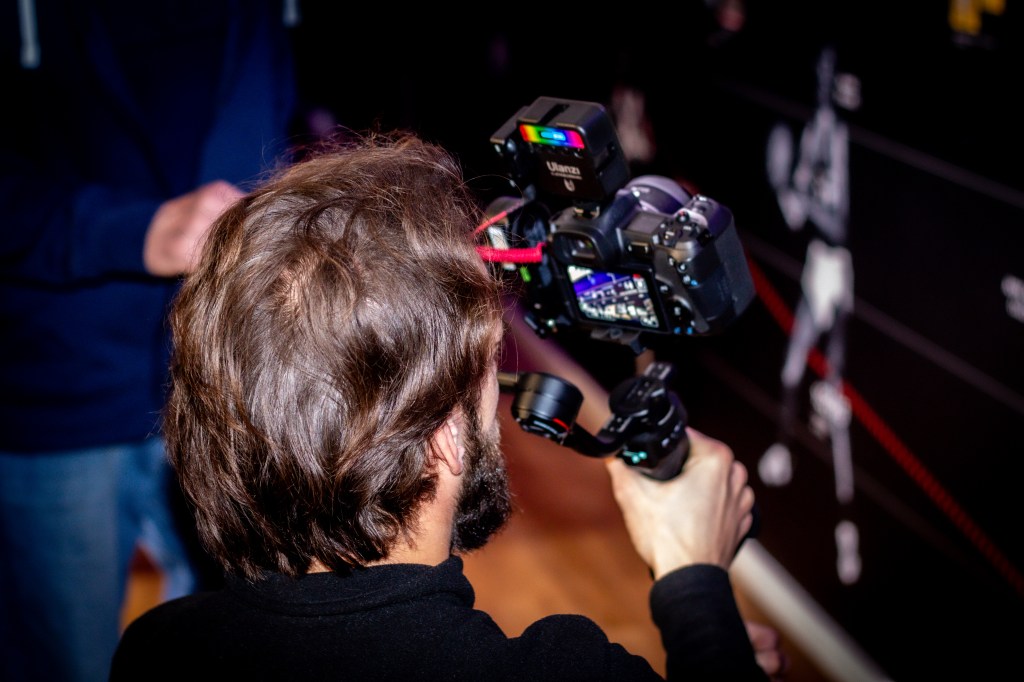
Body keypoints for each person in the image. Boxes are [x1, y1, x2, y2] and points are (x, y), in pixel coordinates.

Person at [110, 131, 781, 680]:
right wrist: (694, 588)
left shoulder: (158, 650)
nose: (498, 401)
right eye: (490, 370)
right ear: (443, 440)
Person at [0, 3, 301, 680]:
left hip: (235, 385)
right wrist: (133, 230)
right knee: (62, 660)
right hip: (55, 394)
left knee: (246, 648)